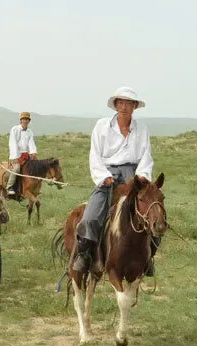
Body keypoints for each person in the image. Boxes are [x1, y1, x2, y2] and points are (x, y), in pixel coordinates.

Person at [73, 87, 160, 276]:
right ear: (115, 105)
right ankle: (85, 254)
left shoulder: (142, 129)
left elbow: (146, 156)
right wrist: (103, 177)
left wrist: (143, 175)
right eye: (120, 103)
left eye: (128, 103)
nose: (124, 107)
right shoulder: (102, 126)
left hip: (133, 174)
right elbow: (94, 154)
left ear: (134, 107)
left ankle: (149, 256)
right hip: (108, 173)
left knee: (154, 212)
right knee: (91, 216)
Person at [6, 111, 37, 196]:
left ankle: (32, 187)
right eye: (24, 119)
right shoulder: (14, 129)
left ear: (29, 121)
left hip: (25, 154)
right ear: (21, 120)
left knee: (35, 166)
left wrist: (33, 152)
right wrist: (15, 157)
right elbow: (13, 143)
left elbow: (31, 143)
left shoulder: (30, 132)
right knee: (16, 168)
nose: (26, 121)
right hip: (15, 155)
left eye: (27, 119)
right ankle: (10, 187)